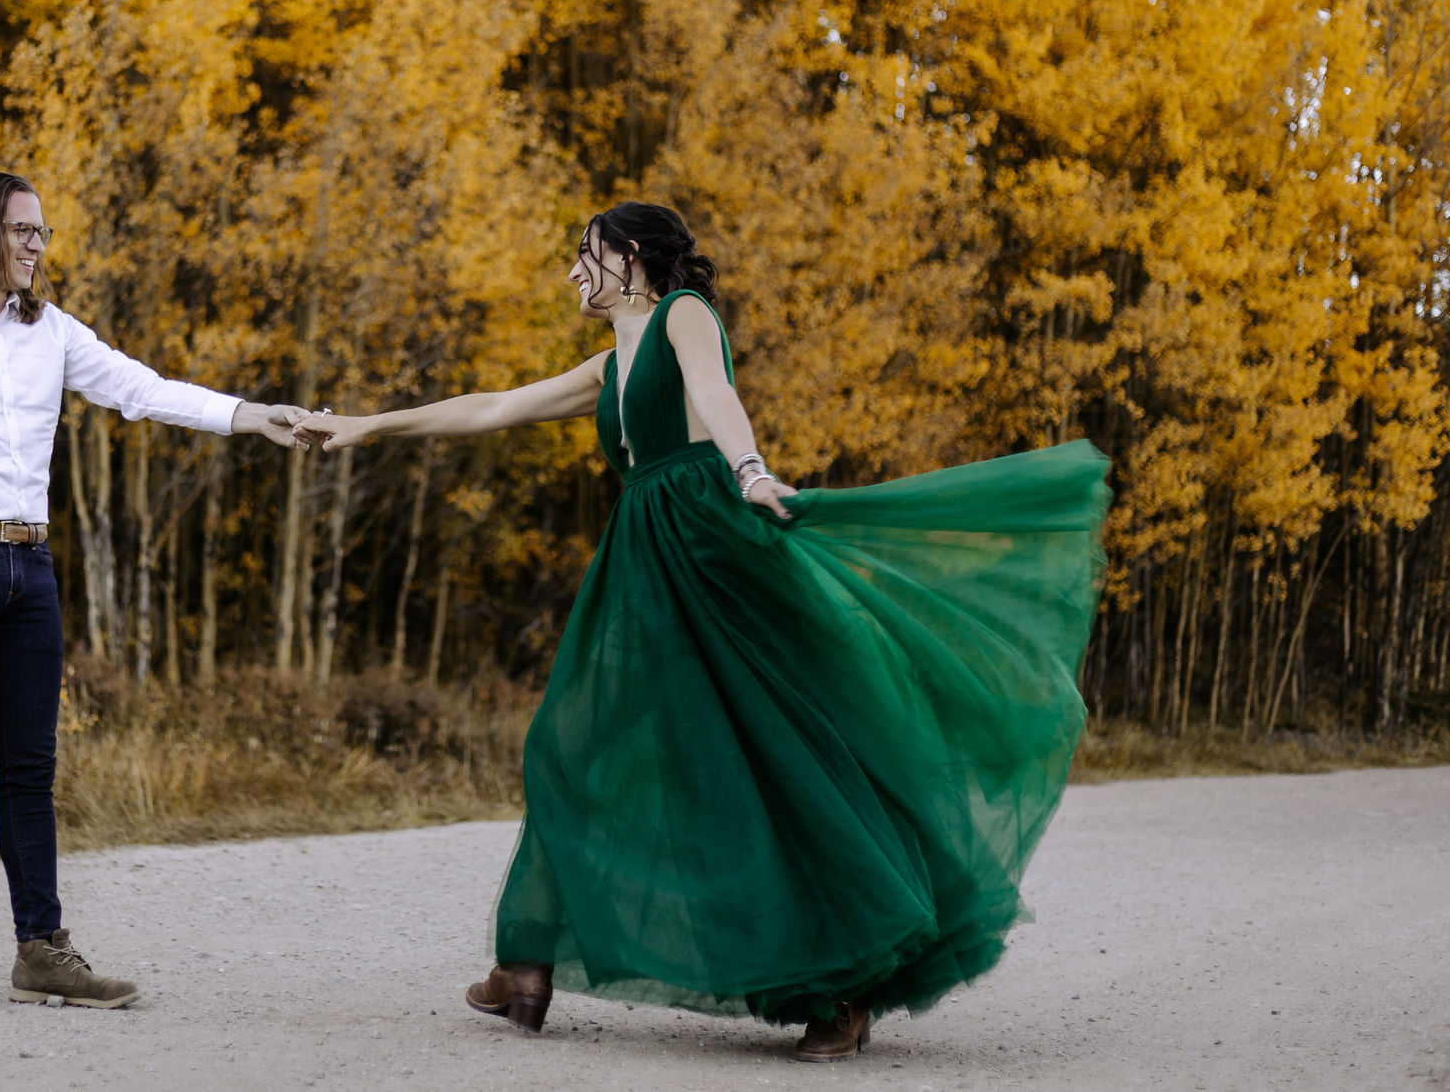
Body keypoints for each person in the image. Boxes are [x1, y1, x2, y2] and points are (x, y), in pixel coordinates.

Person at [298, 201, 1109, 1060]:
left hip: (714, 543)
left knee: (773, 756)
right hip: (645, 558)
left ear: (637, 260)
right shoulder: (608, 363)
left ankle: (844, 988)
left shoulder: (684, 315)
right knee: (576, 748)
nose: (575, 271)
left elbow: (716, 392)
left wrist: (751, 471)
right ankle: (525, 965)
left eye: (590, 254)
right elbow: (493, 407)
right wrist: (368, 426)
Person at [0, 170, 308, 1016]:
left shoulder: (48, 331)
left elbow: (143, 388)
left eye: (41, 232)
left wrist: (249, 413)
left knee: (30, 768)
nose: (37, 245)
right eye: (23, 230)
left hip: (32, 567)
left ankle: (42, 950)